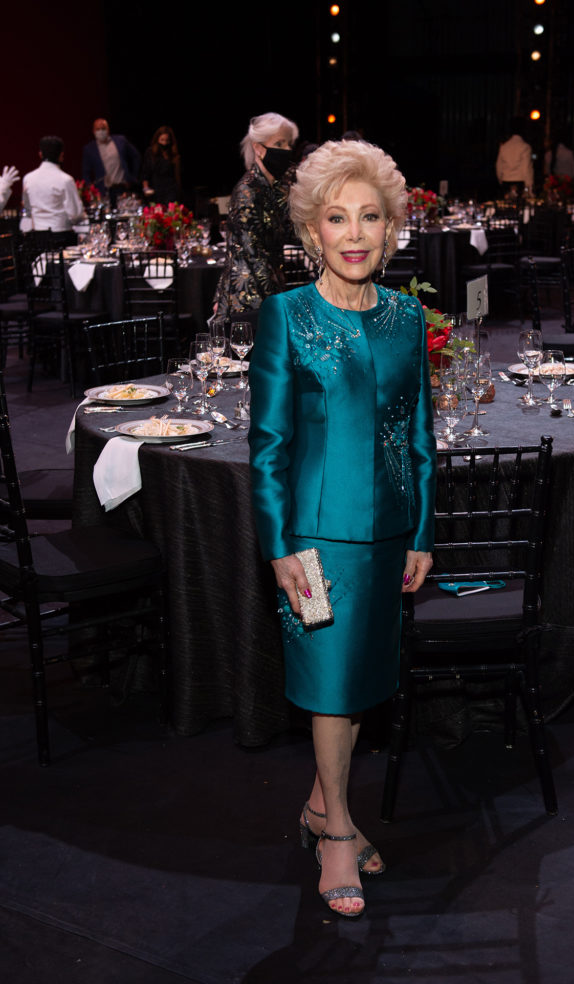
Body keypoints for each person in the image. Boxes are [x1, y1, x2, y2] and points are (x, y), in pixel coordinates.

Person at [248, 140, 437, 918]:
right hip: (316, 539)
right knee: (331, 689)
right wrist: (280, 544)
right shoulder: (285, 316)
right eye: (336, 218)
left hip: (389, 535)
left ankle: (323, 804)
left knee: (360, 684)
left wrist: (422, 532)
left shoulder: (407, 317)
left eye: (369, 217)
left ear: (392, 230)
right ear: (310, 233)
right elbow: (267, 446)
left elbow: (420, 438)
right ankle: (336, 834)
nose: (354, 233)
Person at [212, 112, 298, 320]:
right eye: (279, 143)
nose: (286, 150)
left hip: (269, 291)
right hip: (248, 299)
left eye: (289, 144)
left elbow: (290, 232)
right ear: (258, 148)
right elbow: (253, 254)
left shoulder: (276, 186)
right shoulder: (247, 191)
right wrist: (279, 303)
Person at [21, 136, 83, 232]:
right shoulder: (66, 180)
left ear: (40, 154)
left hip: (37, 236)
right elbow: (75, 214)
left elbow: (27, 208)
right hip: (62, 235)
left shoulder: (28, 178)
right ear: (61, 155)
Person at [81, 118, 141, 206]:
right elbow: (85, 172)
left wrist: (132, 177)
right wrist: (91, 190)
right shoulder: (89, 149)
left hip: (122, 188)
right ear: (93, 131)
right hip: (103, 192)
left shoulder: (120, 141)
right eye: (98, 129)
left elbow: (136, 156)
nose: (101, 131)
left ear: (108, 129)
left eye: (103, 128)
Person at [141, 126, 181, 205]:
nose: (164, 143)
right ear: (157, 139)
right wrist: (145, 188)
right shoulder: (150, 153)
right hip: (155, 191)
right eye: (162, 140)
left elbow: (177, 176)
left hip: (170, 191)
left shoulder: (173, 155)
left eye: (167, 140)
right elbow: (145, 172)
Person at [495, 117, 534, 194]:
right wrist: (529, 186)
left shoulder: (504, 146)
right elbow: (526, 168)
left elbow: (499, 165)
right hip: (520, 182)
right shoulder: (525, 146)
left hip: (506, 180)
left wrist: (500, 179)